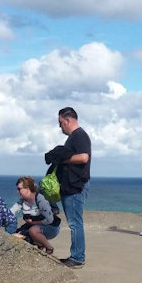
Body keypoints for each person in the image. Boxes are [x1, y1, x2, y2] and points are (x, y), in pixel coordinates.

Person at [45, 107, 91, 268]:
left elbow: (84, 157)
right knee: (74, 222)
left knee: (74, 223)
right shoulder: (75, 137)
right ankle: (76, 255)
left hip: (76, 186)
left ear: (67, 120)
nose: (60, 127)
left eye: (60, 123)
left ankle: (78, 257)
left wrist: (62, 159)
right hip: (72, 186)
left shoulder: (79, 136)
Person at [11, 176, 61, 255]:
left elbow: (49, 220)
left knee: (32, 231)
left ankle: (49, 248)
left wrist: (33, 223)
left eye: (19, 189)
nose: (17, 191)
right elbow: (11, 211)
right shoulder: (23, 201)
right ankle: (39, 244)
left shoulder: (41, 200)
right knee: (18, 233)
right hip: (35, 225)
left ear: (27, 189)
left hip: (51, 227)